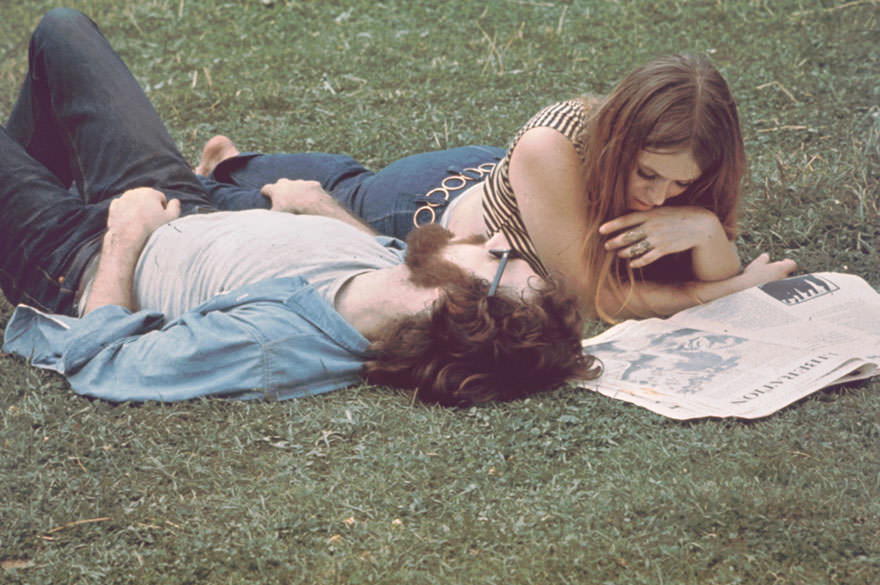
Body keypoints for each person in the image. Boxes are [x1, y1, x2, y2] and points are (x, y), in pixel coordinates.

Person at [0, 8, 597, 407]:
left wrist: (124, 237)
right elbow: (378, 253)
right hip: (184, 202)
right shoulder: (398, 282)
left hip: (79, 258)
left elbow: (104, 363)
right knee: (63, 29)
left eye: (503, 261)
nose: (499, 239)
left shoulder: (274, 347)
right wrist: (321, 208)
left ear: (463, 308)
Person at [196, 55, 797, 321]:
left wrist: (705, 228)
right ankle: (217, 180)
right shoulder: (552, 145)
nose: (661, 198)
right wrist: (716, 294)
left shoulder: (687, 164)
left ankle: (234, 158)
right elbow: (594, 298)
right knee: (334, 197)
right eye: (647, 175)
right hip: (426, 207)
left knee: (350, 176)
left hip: (501, 181)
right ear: (617, 141)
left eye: (681, 185)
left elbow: (715, 265)